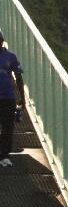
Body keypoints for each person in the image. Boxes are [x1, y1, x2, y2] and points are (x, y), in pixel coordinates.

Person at [0, 31, 24, 167]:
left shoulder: (11, 57)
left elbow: (19, 77)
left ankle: (4, 155)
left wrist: (22, 98)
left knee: (7, 127)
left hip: (8, 98)